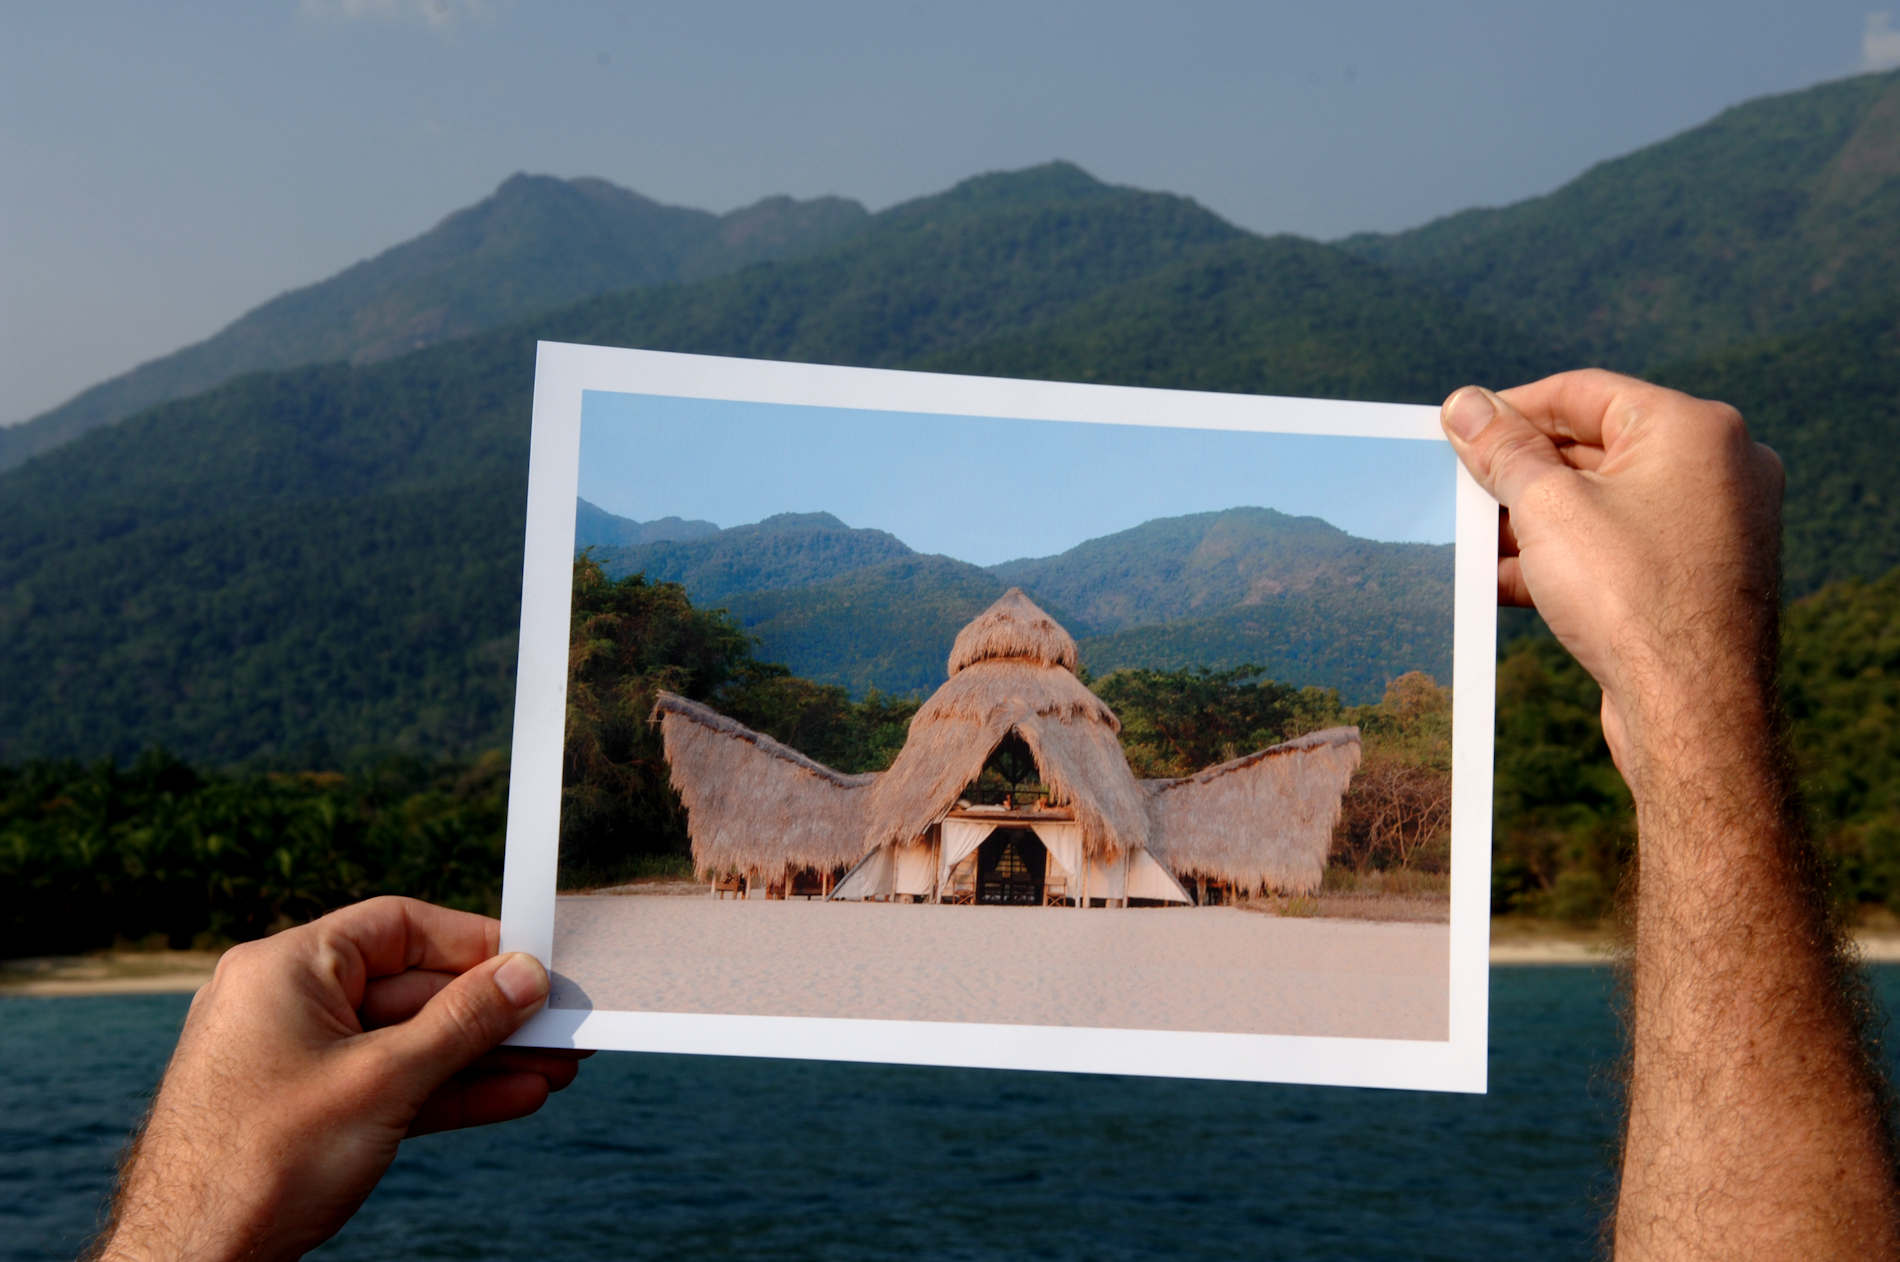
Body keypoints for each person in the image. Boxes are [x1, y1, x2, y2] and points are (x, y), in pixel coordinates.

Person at [88, 370, 1898, 1260]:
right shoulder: (1004, 758)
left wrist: (191, 1221)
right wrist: (1696, 707)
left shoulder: (976, 754)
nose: (1012, 763)